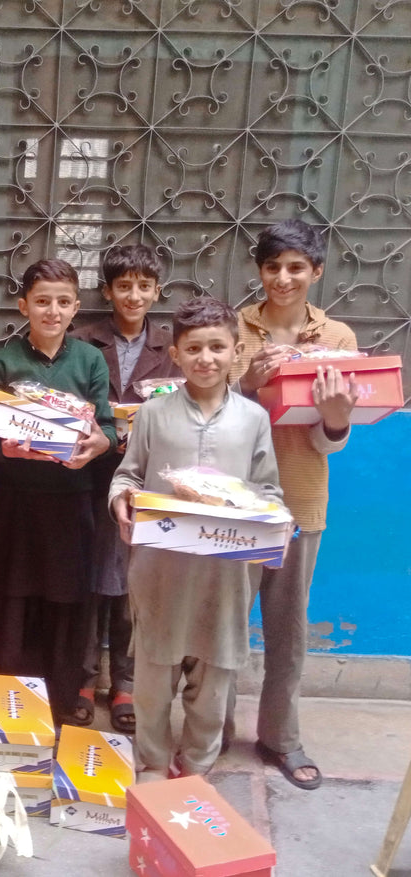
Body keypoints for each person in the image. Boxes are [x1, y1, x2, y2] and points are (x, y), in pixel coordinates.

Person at [110, 298, 283, 779]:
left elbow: (268, 488)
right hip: (161, 570)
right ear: (177, 355)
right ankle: (153, 761)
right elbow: (128, 476)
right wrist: (121, 499)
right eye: (194, 349)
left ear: (236, 351)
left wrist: (267, 518)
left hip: (224, 577)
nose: (206, 358)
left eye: (217, 347)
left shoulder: (253, 420)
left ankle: (198, 766)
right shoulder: (153, 414)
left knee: (212, 684)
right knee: (152, 680)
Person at [229, 219, 358, 790]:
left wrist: (336, 415)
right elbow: (212, 416)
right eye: (273, 266)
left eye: (296, 267)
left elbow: (331, 438)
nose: (283, 278)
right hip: (233, 501)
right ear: (259, 270)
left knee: (288, 631)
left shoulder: (339, 340)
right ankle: (209, 735)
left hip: (300, 500)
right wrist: (246, 387)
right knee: (222, 628)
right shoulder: (233, 330)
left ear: (316, 272)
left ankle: (281, 738)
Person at [0, 258, 116, 727]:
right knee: (9, 603)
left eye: (62, 302)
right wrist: (6, 449)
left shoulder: (91, 360)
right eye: (41, 301)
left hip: (72, 503)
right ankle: (5, 706)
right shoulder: (2, 363)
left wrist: (101, 443)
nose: (52, 311)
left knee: (66, 605)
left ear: (75, 307)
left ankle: (57, 706)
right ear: (23, 306)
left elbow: (110, 427)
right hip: (15, 505)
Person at [70, 244, 180, 732]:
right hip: (90, 477)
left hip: (147, 483)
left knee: (134, 585)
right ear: (107, 291)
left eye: (143, 286)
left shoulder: (173, 347)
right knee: (91, 581)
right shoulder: (84, 340)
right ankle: (83, 677)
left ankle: (126, 684)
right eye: (123, 286)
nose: (133, 296)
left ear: (157, 291)